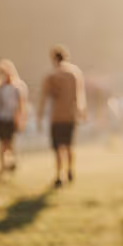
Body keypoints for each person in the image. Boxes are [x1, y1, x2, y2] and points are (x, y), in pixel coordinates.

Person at [38, 45, 86, 187]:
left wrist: (40, 115)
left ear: (53, 59)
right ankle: (70, 170)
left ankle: (59, 175)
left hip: (57, 116)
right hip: (71, 115)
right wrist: (81, 112)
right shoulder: (75, 73)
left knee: (58, 147)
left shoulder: (52, 76)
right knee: (69, 145)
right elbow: (80, 95)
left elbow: (44, 97)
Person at [0, 59, 28, 175]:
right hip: (1, 118)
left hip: (12, 118)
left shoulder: (17, 88)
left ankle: (12, 161)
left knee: (10, 143)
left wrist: (20, 120)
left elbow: (21, 106)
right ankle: (3, 165)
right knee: (2, 143)